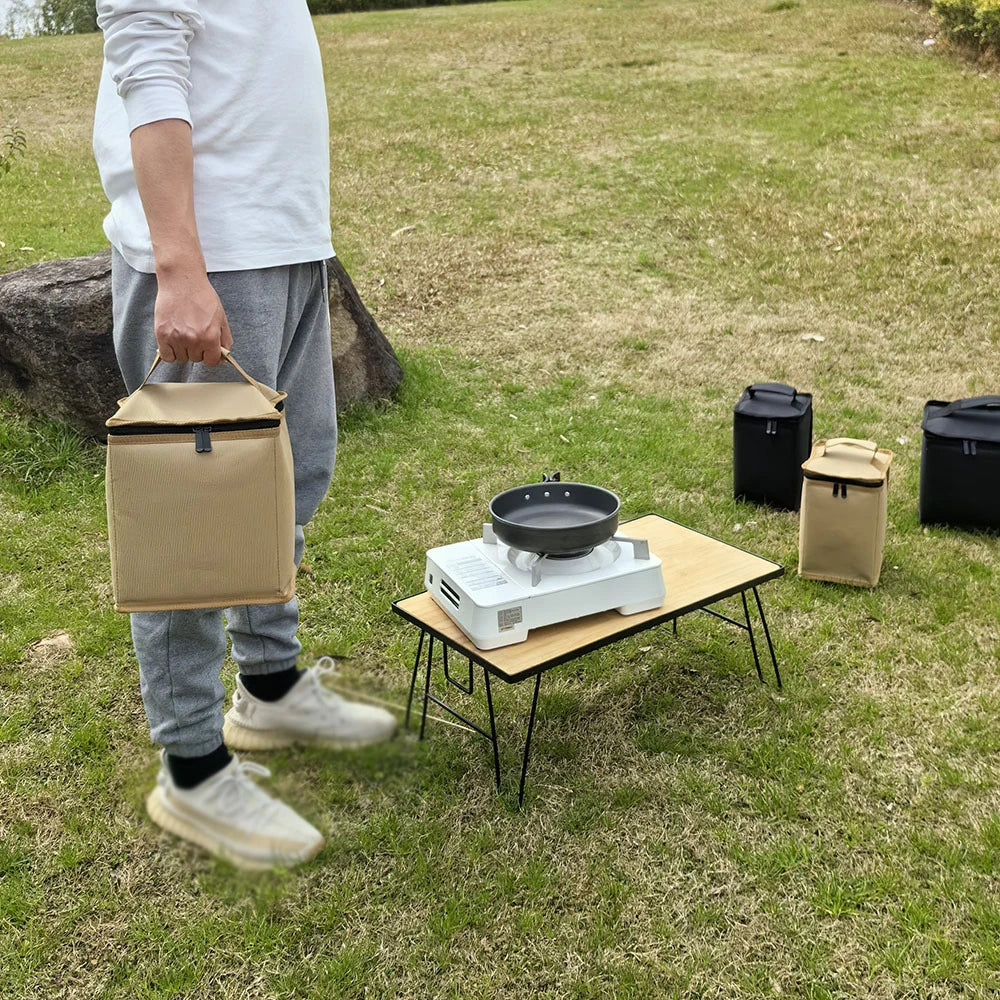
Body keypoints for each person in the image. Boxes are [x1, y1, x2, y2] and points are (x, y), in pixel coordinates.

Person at [93, 0, 396, 870]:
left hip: (283, 241)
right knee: (191, 527)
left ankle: (269, 686)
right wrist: (181, 272)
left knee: (289, 482)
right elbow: (149, 77)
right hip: (211, 260)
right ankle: (190, 767)